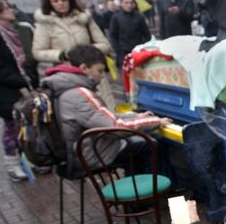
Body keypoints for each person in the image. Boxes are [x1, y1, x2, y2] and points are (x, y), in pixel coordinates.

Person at [44, 44, 170, 174]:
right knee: (151, 143)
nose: (103, 76)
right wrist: (156, 121)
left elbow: (104, 117)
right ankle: (155, 189)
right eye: (99, 71)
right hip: (91, 156)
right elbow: (116, 128)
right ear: (84, 68)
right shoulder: (79, 94)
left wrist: (137, 117)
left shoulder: (67, 88)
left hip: (82, 151)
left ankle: (136, 183)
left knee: (139, 140)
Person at [0, 0, 39, 181]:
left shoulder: (10, 31)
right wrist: (19, 80)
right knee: (11, 127)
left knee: (24, 124)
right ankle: (12, 164)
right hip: (7, 89)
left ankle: (29, 160)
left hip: (19, 85)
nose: (12, 10)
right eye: (7, 8)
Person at [32, 0, 114, 109]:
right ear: (49, 3)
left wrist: (87, 53)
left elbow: (105, 45)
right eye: (55, 1)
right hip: (67, 77)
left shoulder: (84, 19)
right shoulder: (45, 24)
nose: (60, 3)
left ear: (70, 0)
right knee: (80, 112)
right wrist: (62, 54)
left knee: (104, 109)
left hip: (93, 72)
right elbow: (37, 52)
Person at [108, 0, 151, 70]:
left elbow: (147, 34)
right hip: (123, 53)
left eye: (131, 3)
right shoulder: (116, 17)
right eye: (126, 3)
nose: (129, 5)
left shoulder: (139, 16)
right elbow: (112, 35)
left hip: (138, 52)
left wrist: (142, 47)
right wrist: (118, 50)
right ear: (121, 4)